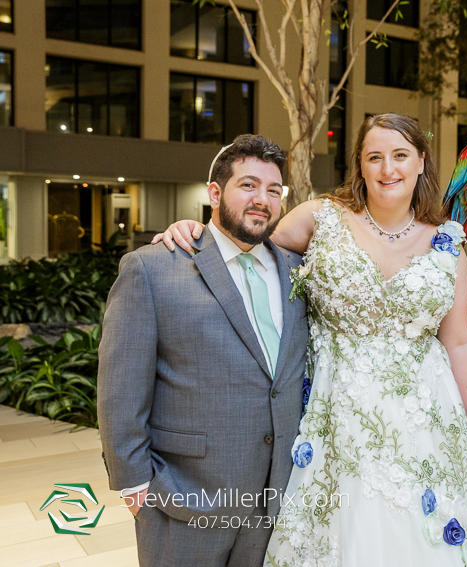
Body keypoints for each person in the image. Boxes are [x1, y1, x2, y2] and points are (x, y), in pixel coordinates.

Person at [156, 113, 467, 566]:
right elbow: (246, 247)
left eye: (400, 156)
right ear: (360, 166)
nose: (388, 169)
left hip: (428, 424)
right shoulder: (320, 218)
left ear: (421, 162)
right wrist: (198, 231)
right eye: (375, 157)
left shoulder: (448, 245)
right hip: (338, 421)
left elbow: (461, 344)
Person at [98, 134, 309, 567]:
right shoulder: (153, 268)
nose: (262, 200)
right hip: (183, 501)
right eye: (248, 185)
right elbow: (120, 387)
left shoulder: (299, 271)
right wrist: (136, 488)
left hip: (277, 503)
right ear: (215, 193)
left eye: (273, 190)